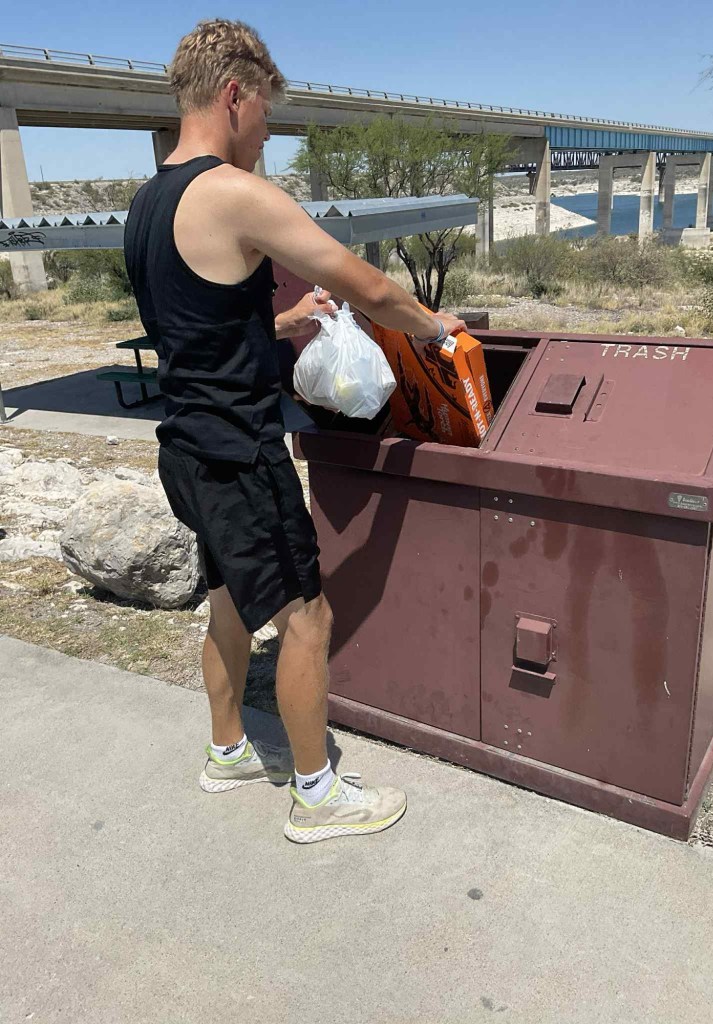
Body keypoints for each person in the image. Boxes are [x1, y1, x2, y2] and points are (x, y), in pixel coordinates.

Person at [124, 18, 467, 845]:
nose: (268, 135)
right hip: (241, 454)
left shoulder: (148, 202)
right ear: (234, 96)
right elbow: (369, 285)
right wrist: (434, 328)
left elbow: (198, 330)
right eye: (267, 115)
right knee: (307, 619)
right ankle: (317, 795)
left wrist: (284, 322)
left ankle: (227, 752)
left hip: (187, 449)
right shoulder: (234, 193)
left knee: (229, 608)